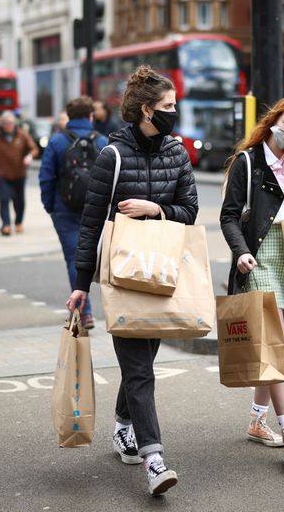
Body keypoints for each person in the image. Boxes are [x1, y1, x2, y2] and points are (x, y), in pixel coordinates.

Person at [66, 65, 197, 496]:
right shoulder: (112, 156)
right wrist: (81, 283)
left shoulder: (177, 152)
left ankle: (123, 424)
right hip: (121, 274)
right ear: (146, 110)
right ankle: (154, 459)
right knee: (139, 368)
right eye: (168, 106)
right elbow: (89, 224)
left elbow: (190, 211)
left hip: (162, 271)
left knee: (143, 361)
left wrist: (154, 210)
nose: (174, 112)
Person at [220, 95, 284, 464]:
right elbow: (229, 216)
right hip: (259, 257)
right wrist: (241, 251)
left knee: (275, 349)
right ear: (273, 121)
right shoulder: (248, 162)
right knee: (277, 349)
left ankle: (256, 421)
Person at [39, 97, 109, 330]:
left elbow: (46, 177)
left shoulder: (57, 141)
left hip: (64, 209)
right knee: (101, 260)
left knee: (74, 258)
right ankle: (110, 309)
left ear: (68, 117)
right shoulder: (101, 141)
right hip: (96, 209)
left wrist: (50, 206)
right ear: (90, 116)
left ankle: (84, 313)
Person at [0, 111, 37, 236]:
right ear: (2, 124)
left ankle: (18, 222)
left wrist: (29, 156)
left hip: (19, 173)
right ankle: (6, 225)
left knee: (19, 201)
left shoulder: (22, 135)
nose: (8, 126)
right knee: (3, 199)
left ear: (14, 123)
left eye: (10, 123)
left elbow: (34, 148)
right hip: (3, 174)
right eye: (6, 123)